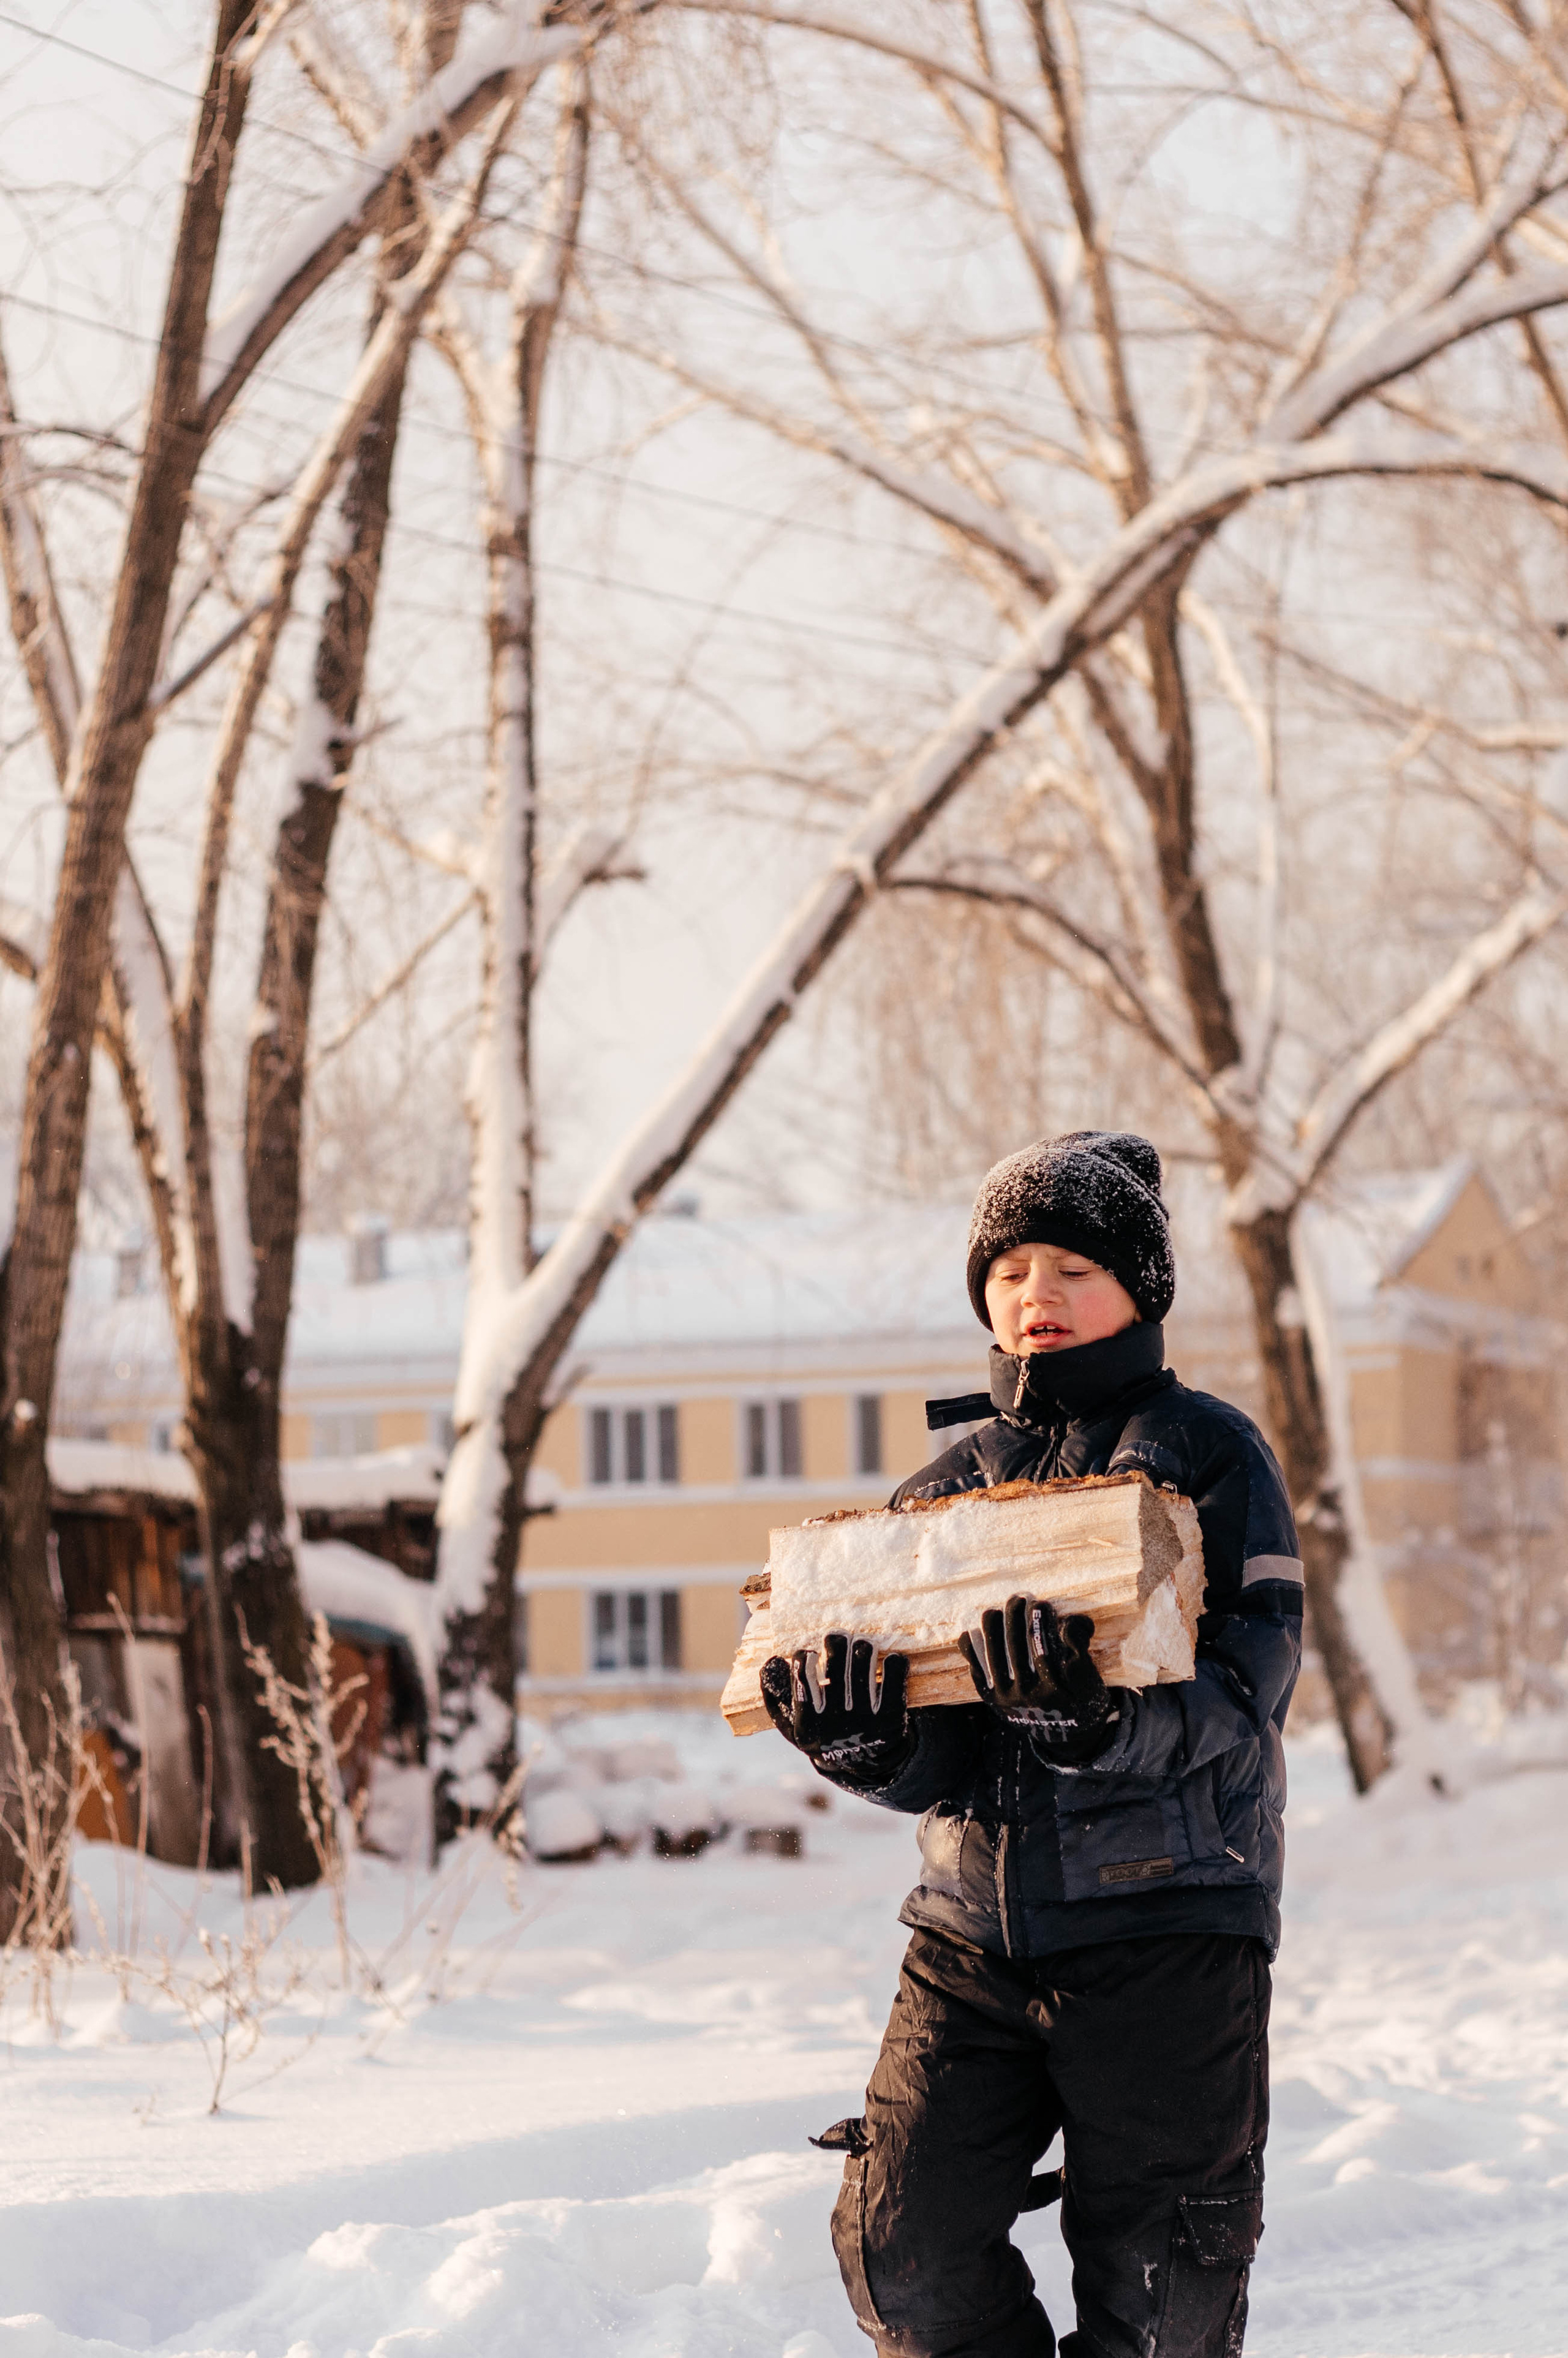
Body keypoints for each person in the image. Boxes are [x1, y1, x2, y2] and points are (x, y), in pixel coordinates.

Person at [761, 1131, 1302, 2358]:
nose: (1034, 1294)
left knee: (1160, 2298)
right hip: (968, 1938)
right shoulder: (940, 1490)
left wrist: (1097, 1727)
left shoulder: (1211, 1453)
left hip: (1169, 1932)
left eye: (1070, 1264)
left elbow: (1243, 1689)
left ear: (1140, 1289)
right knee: (897, 2249)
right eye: (1007, 1268)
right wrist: (864, 1744)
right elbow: (938, 1759)